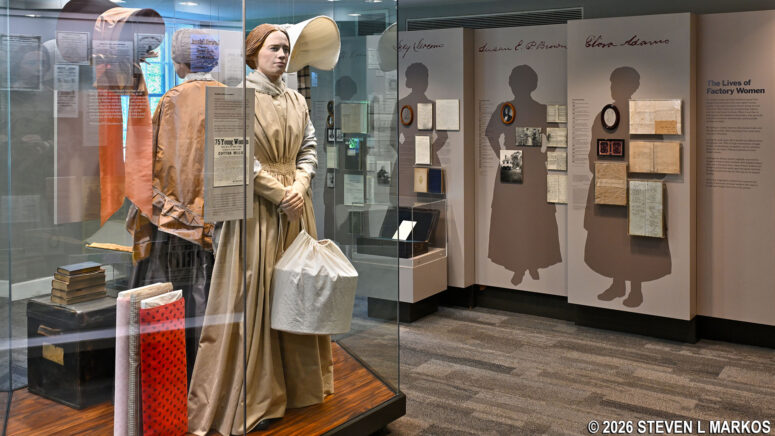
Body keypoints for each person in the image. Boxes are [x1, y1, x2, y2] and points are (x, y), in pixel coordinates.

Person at [187, 24, 332, 435]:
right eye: (274, 48)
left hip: (293, 209)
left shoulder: (297, 100)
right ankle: (258, 392)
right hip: (255, 212)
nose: (282, 55)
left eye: (286, 49)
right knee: (253, 294)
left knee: (296, 291)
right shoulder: (235, 99)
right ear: (254, 53)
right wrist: (279, 191)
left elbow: (309, 148)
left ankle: (298, 384)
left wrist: (300, 186)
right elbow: (236, 160)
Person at [126, 28, 225, 382]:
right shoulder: (229, 95)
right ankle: (213, 373)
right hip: (222, 219)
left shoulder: (173, 99)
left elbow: (157, 161)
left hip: (174, 222)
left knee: (177, 294)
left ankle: (174, 372)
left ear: (182, 61)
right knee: (213, 290)